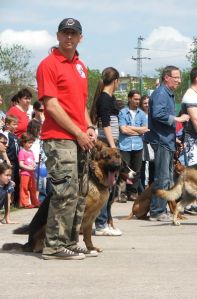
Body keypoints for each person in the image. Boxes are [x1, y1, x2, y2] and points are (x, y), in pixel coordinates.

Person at [36, 17, 97, 260]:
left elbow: (80, 104)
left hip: (79, 137)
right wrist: (78, 132)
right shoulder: (48, 64)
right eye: (65, 33)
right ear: (58, 36)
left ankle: (70, 241)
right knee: (64, 191)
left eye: (74, 33)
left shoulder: (80, 66)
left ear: (81, 37)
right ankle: (53, 245)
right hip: (59, 138)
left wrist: (89, 126)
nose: (69, 37)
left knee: (79, 193)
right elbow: (51, 105)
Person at [144, 65, 189, 222]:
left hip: (167, 139)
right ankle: (157, 211)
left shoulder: (168, 94)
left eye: (179, 77)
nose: (179, 80)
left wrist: (173, 137)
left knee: (167, 177)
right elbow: (158, 114)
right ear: (166, 78)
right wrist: (177, 119)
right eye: (176, 77)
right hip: (161, 140)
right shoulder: (161, 93)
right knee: (162, 177)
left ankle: (160, 209)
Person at [89, 66, 122, 236]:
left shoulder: (108, 98)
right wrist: (112, 146)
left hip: (111, 143)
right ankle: (101, 224)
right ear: (116, 81)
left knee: (110, 186)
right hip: (107, 145)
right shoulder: (105, 98)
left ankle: (106, 222)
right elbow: (106, 124)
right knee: (105, 185)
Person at [119, 90, 148, 201]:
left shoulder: (141, 113)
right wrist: (138, 131)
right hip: (125, 145)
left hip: (138, 145)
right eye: (135, 99)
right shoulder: (122, 112)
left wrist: (129, 128)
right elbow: (122, 129)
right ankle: (123, 192)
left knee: (137, 169)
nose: (137, 101)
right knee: (124, 169)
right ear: (129, 98)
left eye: (139, 99)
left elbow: (145, 129)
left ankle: (133, 192)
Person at [18, 133, 41, 209]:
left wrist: (34, 165)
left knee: (33, 188)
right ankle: (25, 203)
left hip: (32, 173)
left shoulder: (31, 152)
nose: (31, 144)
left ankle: (35, 202)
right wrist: (28, 168)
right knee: (24, 188)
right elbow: (21, 164)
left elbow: (33, 161)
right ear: (24, 142)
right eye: (29, 143)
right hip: (25, 173)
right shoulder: (22, 152)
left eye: (32, 143)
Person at [3, 115, 20, 207]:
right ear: (7, 124)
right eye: (14, 124)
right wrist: (7, 160)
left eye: (17, 124)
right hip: (10, 161)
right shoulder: (6, 135)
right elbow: (4, 149)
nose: (16, 126)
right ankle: (8, 201)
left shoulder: (15, 136)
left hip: (16, 162)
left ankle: (15, 201)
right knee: (10, 181)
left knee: (16, 181)